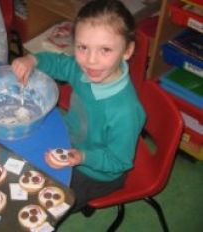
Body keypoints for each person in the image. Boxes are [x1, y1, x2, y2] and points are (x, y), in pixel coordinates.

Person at [11, 0, 146, 213]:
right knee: (20, 158)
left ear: (127, 51)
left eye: (105, 50)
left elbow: (118, 162)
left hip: (97, 174)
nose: (91, 61)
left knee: (40, 205)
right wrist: (32, 60)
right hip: (69, 139)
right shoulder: (83, 70)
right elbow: (58, 63)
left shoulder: (125, 111)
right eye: (83, 47)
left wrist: (82, 156)